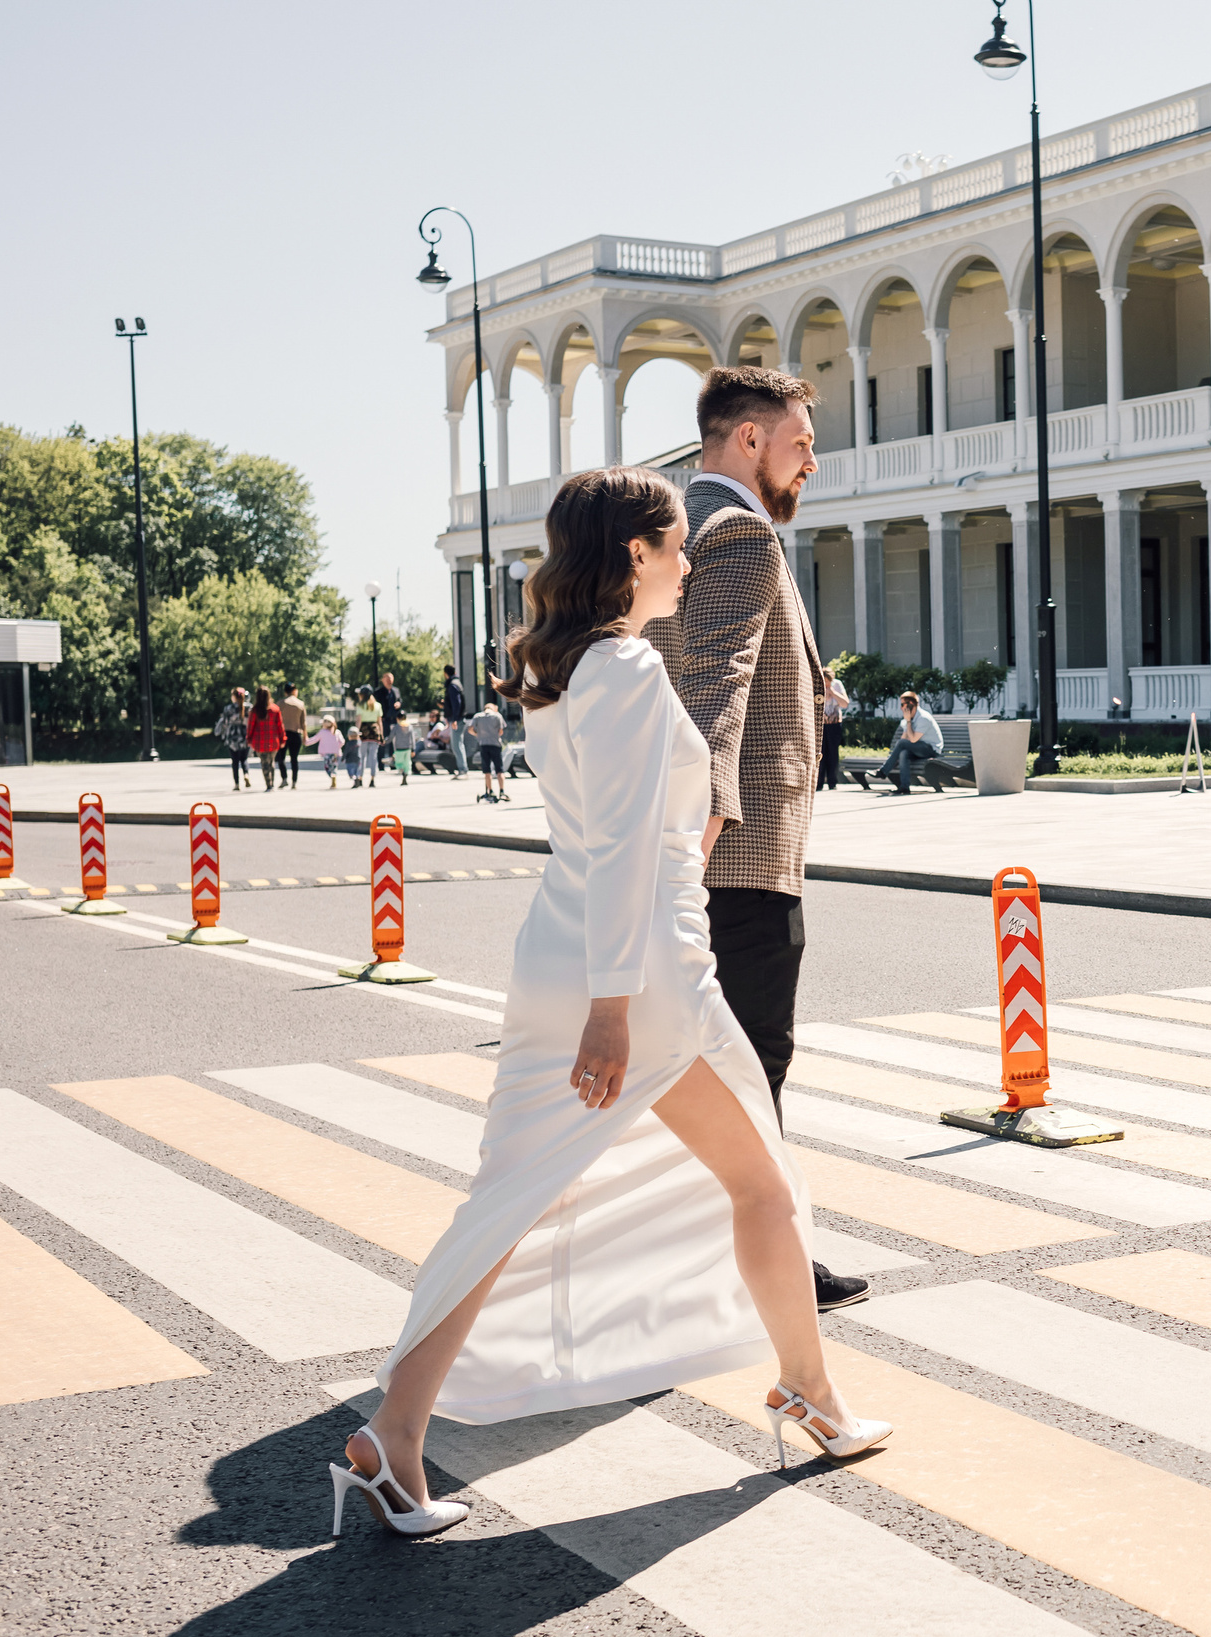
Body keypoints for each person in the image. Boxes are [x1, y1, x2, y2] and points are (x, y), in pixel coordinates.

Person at [328, 465, 887, 1540]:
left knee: (509, 1200)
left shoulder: (566, 670)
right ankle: (809, 1394)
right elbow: (635, 849)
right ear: (634, 553)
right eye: (675, 544)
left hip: (572, 953)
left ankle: (392, 1438)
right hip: (643, 976)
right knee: (762, 1190)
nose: (687, 560)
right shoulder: (627, 669)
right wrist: (614, 1012)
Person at [643, 364, 865, 1314]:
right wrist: (705, 830)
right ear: (748, 440)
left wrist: (812, 696)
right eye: (800, 441)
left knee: (718, 1065)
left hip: (708, 854)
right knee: (752, 1062)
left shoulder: (685, 525)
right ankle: (765, 1263)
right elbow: (712, 690)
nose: (812, 459)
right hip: (738, 859)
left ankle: (735, 1253)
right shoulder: (738, 534)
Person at [876, 690, 944, 796]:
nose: (901, 708)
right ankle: (904, 787)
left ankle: (883, 771)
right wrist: (908, 721)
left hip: (931, 750)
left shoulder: (923, 718)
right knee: (904, 753)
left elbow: (912, 740)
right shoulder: (910, 718)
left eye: (903, 705)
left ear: (911, 704)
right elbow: (904, 739)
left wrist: (908, 722)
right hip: (917, 749)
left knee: (903, 745)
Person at [246, 685, 287, 792]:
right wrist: (283, 739)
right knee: (271, 762)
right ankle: (272, 784)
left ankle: (268, 784)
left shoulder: (254, 711)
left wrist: (249, 739)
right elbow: (280, 726)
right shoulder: (275, 709)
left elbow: (250, 726)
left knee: (264, 763)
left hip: (259, 742)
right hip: (273, 741)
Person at [468, 699, 508, 801]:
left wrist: (478, 735)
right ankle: (502, 791)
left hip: (483, 745)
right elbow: (501, 731)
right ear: (493, 708)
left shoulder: (477, 716)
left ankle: (490, 791)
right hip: (495, 744)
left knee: (487, 771)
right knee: (499, 770)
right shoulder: (497, 716)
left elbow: (470, 729)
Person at [215, 686, 252, 791]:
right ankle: (246, 774)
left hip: (232, 737)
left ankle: (236, 784)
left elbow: (225, 723)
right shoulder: (249, 707)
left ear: (234, 696)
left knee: (235, 761)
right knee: (244, 759)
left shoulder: (228, 708)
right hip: (245, 736)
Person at [817, 668, 849, 791]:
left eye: (828, 681)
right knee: (821, 752)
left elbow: (845, 703)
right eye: (824, 681)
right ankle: (819, 782)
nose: (826, 684)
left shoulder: (837, 684)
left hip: (834, 723)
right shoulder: (818, 684)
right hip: (821, 723)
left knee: (833, 753)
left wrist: (833, 692)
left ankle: (832, 782)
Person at [277, 681, 308, 788]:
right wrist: (305, 735)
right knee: (294, 759)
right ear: (295, 691)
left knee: (281, 758)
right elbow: (303, 722)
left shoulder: (280, 704)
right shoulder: (300, 704)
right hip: (296, 734)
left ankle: (284, 778)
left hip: (283, 734)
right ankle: (294, 781)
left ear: (285, 692)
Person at [440, 665, 468, 776]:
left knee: (457, 745)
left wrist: (455, 719)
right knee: (458, 744)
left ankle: (463, 769)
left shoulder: (452, 686)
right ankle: (462, 768)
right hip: (458, 718)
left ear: (445, 673)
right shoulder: (457, 683)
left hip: (457, 719)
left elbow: (457, 703)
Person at [314, 715, 346, 787]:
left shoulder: (324, 732)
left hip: (328, 754)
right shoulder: (337, 732)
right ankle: (333, 776)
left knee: (327, 766)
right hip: (335, 753)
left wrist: (306, 742)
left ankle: (332, 777)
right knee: (334, 767)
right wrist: (336, 747)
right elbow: (342, 742)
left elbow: (315, 739)